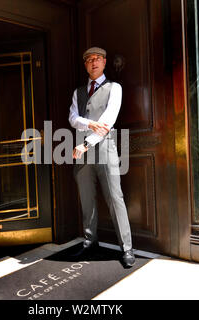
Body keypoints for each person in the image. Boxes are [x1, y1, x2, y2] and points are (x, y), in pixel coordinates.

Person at [68, 47, 135, 268]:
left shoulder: (114, 88)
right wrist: (89, 124)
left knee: (115, 198)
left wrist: (87, 143)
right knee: (86, 199)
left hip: (103, 148)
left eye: (97, 59)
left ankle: (126, 248)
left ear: (104, 62)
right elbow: (73, 118)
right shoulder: (78, 92)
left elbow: (108, 119)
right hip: (81, 151)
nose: (93, 62)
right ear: (85, 65)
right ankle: (90, 241)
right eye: (88, 59)